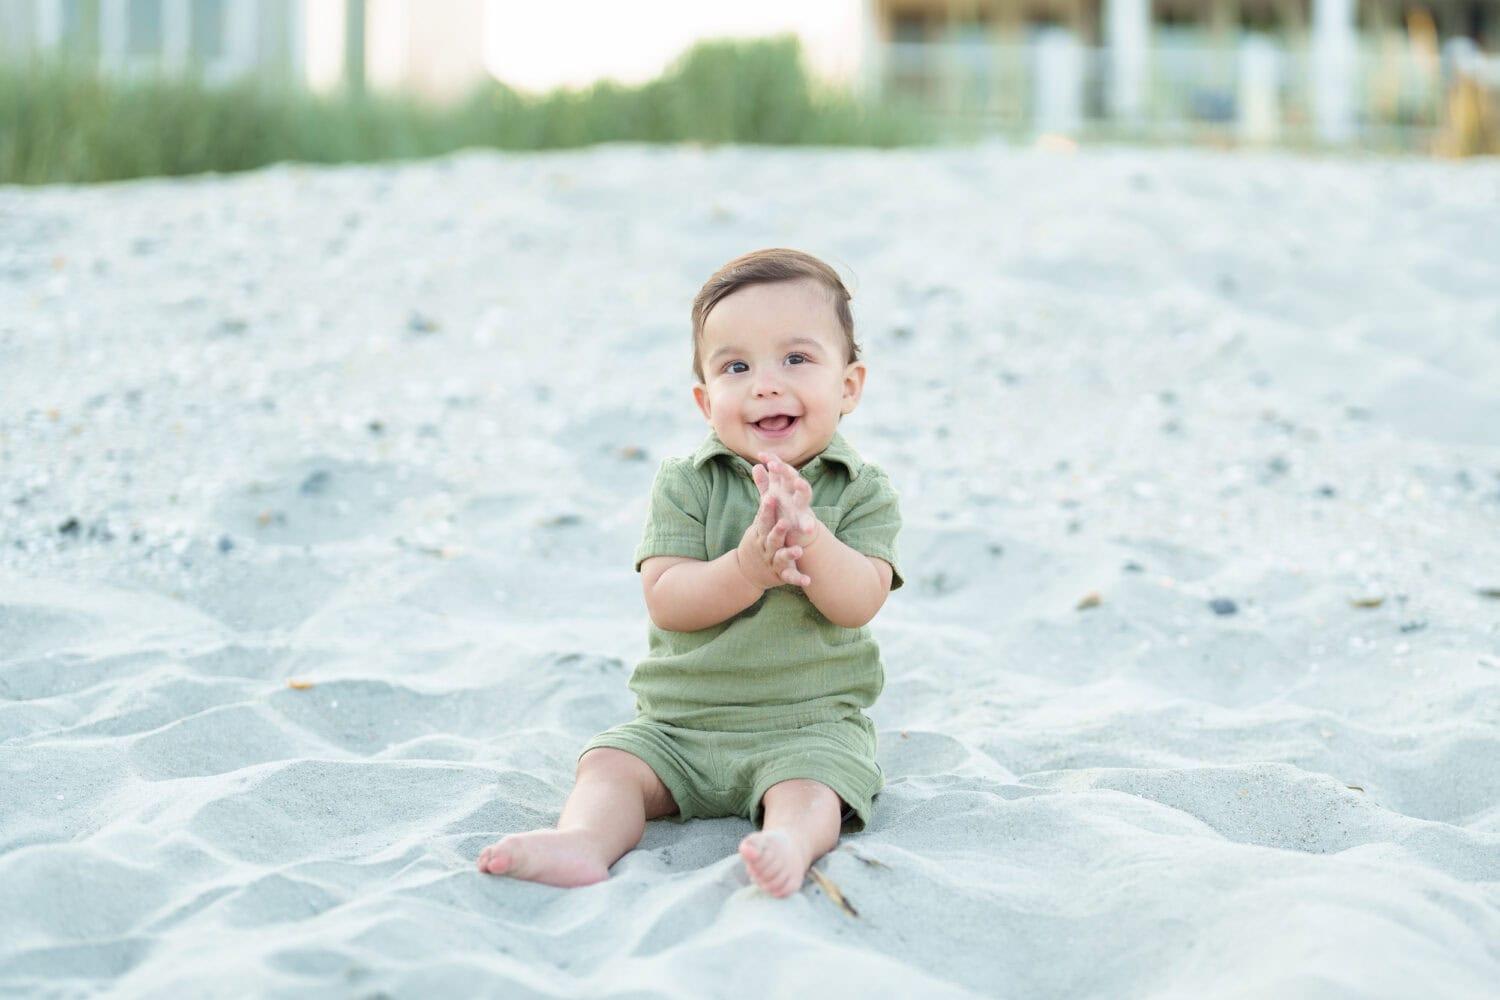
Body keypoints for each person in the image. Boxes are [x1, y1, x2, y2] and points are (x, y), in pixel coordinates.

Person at [477, 248, 902, 897]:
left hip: (806, 725)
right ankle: (584, 842)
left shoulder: (863, 492)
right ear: (706, 400)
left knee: (815, 786)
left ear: (848, 386)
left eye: (796, 358)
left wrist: (809, 538)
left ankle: (788, 841)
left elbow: (860, 601)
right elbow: (668, 600)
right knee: (610, 763)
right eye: (737, 366)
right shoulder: (686, 484)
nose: (765, 383)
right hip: (682, 727)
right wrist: (748, 568)